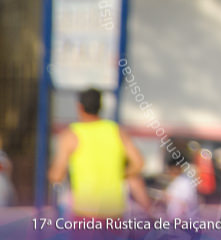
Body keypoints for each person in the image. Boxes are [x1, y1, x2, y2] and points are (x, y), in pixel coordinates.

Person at [48, 88, 150, 220]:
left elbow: (56, 175)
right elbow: (139, 163)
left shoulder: (71, 135)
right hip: (114, 212)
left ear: (79, 107)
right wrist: (120, 174)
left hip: (85, 212)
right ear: (101, 106)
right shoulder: (117, 131)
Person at [162, 146, 199, 222]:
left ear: (177, 168)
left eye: (171, 169)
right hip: (176, 218)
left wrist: (169, 197)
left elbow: (185, 201)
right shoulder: (177, 180)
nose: (170, 172)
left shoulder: (185, 182)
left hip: (182, 219)